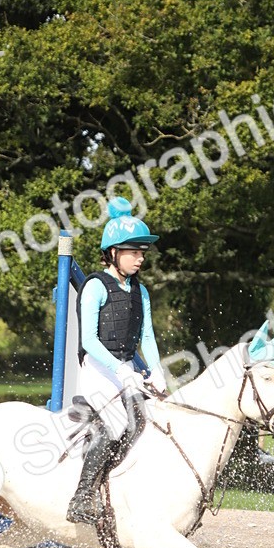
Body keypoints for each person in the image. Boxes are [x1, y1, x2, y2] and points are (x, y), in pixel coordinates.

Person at [66, 196, 167, 525]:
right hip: (97, 369)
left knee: (153, 421)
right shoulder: (95, 286)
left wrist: (157, 373)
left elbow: (147, 338)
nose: (140, 258)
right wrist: (121, 369)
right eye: (133, 251)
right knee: (115, 425)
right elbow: (89, 341)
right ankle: (81, 499)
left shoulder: (141, 291)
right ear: (113, 252)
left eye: (142, 252)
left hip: (126, 370)